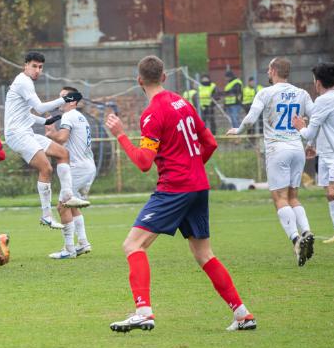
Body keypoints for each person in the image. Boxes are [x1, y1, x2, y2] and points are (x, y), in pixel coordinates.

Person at [104, 55, 256, 333]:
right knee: (204, 254)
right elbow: (209, 143)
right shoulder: (183, 102)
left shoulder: (152, 114)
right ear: (164, 77)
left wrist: (120, 135)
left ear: (139, 81)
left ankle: (143, 312)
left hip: (175, 187)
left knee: (133, 245)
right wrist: (193, 167)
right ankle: (242, 313)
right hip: (198, 186)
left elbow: (143, 162)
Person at [227, 58, 315, 266]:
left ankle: (296, 239)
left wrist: (237, 130)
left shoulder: (266, 93)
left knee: (279, 198)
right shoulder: (302, 93)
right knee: (293, 196)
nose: (268, 72)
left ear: (274, 71)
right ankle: (307, 231)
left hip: (277, 149)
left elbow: (249, 120)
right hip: (297, 148)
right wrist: (310, 140)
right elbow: (315, 117)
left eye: (269, 69)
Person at [4, 51, 89, 230]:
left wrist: (47, 121)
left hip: (25, 132)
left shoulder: (24, 83)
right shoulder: (23, 82)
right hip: (17, 134)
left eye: (40, 67)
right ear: (25, 65)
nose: (37, 70)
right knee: (46, 167)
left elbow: (25, 114)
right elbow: (40, 107)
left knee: (63, 153)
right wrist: (64, 99)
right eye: (34, 66)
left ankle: (67, 196)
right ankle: (46, 215)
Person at [293, 62, 334, 244]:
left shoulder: (322, 101)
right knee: (332, 196)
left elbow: (309, 133)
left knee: (333, 195)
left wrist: (300, 127)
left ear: (318, 82)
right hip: (333, 156)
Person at [44, 86, 95, 259]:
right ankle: (83, 243)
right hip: (87, 166)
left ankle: (69, 249)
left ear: (72, 101)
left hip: (78, 167)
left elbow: (62, 138)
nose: (59, 101)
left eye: (63, 97)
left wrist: (51, 134)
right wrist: (53, 132)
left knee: (62, 205)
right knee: (72, 205)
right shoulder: (80, 116)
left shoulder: (69, 115)